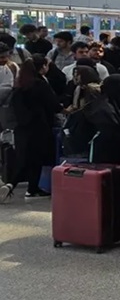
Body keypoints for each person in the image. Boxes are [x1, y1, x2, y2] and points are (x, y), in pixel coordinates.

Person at [81, 74, 120, 227]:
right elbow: (115, 129)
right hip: (108, 154)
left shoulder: (114, 104)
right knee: (115, 188)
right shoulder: (102, 110)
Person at [0, 57, 60, 200]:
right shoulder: (40, 84)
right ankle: (31, 189)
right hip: (39, 127)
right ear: (42, 67)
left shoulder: (19, 85)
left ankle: (12, 185)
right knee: (36, 159)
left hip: (21, 128)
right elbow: (53, 104)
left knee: (23, 159)